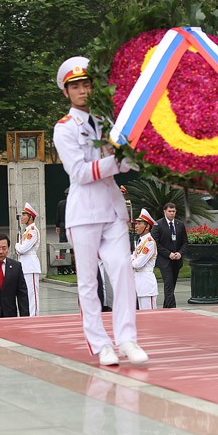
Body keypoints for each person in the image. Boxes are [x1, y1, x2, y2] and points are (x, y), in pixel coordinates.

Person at [53, 56, 148, 367]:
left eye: (87, 85)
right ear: (66, 92)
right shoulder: (65, 128)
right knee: (88, 281)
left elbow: (126, 163)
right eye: (76, 86)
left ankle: (127, 338)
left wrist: (136, 153)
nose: (83, 91)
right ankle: (100, 343)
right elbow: (79, 172)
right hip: (83, 211)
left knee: (122, 270)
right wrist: (118, 161)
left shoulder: (108, 124)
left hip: (112, 208)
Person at [150, 203, 188, 309]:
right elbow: (155, 243)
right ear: (164, 211)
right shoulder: (158, 225)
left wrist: (180, 253)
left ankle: (167, 307)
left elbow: (185, 242)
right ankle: (172, 308)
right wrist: (168, 254)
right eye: (169, 211)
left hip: (176, 259)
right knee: (168, 283)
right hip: (164, 260)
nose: (171, 213)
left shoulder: (179, 224)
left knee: (172, 284)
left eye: (173, 211)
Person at [14, 202, 41, 316]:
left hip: (30, 264)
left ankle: (34, 317)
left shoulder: (33, 230)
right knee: (25, 294)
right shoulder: (27, 231)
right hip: (24, 264)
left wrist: (16, 245)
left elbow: (22, 249)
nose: (22, 217)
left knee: (32, 295)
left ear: (30, 217)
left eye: (25, 214)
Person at [131, 209, 158, 310]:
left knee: (150, 316)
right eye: (136, 223)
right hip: (139, 283)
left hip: (146, 283)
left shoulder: (149, 242)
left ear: (147, 227)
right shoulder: (141, 241)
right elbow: (132, 257)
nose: (136, 226)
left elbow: (138, 263)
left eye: (139, 223)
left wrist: (131, 261)